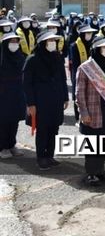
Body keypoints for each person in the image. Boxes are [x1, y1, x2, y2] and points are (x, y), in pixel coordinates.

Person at [76, 37, 105, 186]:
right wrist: (83, 113)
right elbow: (79, 92)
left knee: (104, 141)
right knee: (92, 143)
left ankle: (100, 169)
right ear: (97, 49)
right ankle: (91, 174)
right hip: (93, 111)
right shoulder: (85, 68)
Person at [23, 31, 69, 170]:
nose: (53, 43)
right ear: (43, 43)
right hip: (40, 100)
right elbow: (27, 84)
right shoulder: (32, 60)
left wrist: (65, 97)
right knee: (42, 129)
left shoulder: (57, 57)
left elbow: (62, 78)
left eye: (54, 41)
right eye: (50, 41)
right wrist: (31, 103)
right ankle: (41, 157)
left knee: (54, 128)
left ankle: (50, 155)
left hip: (56, 99)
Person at [0, 33, 26, 159]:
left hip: (17, 92)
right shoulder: (1, 57)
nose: (14, 44)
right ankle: (3, 146)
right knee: (4, 120)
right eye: (12, 41)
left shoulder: (20, 57)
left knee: (14, 120)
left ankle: (11, 144)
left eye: (16, 41)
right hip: (3, 93)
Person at [69, 25, 96, 122]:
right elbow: (75, 63)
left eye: (91, 33)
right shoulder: (74, 46)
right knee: (78, 95)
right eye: (88, 33)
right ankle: (77, 117)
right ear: (82, 34)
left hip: (92, 74)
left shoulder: (92, 44)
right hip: (78, 73)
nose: (90, 35)